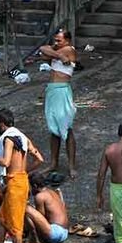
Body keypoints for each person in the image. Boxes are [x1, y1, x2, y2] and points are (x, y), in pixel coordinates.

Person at [0, 108, 44, 243]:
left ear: (2, 124)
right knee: (2, 218)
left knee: (16, 225)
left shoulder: (9, 139)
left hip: (16, 184)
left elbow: (5, 162)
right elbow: (39, 160)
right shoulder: (23, 137)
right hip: (20, 180)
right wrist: (23, 171)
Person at [39, 29, 78, 178]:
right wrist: (58, 55)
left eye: (59, 40)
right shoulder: (59, 51)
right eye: (55, 40)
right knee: (53, 129)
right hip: (52, 91)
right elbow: (43, 50)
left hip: (62, 91)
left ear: (67, 41)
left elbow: (45, 53)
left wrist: (55, 53)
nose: (56, 43)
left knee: (66, 128)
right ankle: (53, 163)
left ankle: (71, 166)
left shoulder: (69, 49)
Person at [23, 173, 69, 243]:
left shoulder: (40, 196)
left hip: (55, 233)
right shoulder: (52, 192)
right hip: (65, 232)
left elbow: (40, 219)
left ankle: (36, 242)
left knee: (26, 208)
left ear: (35, 186)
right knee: (31, 211)